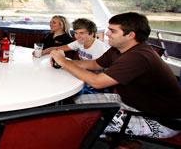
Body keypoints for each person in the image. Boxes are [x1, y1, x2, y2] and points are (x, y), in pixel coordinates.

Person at [50, 12, 181, 139]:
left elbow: (97, 82)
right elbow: (95, 64)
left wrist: (64, 62)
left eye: (112, 31)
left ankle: (125, 142)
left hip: (159, 120)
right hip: (129, 102)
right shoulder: (118, 48)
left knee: (81, 120)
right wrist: (67, 63)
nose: (107, 34)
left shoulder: (137, 57)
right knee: (75, 104)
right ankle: (125, 142)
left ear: (130, 35)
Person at [43, 18, 108, 60]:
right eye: (76, 33)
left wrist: (63, 61)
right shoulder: (79, 42)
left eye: (81, 33)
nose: (77, 36)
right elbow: (58, 48)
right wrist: (42, 52)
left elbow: (96, 68)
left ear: (91, 34)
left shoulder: (100, 48)